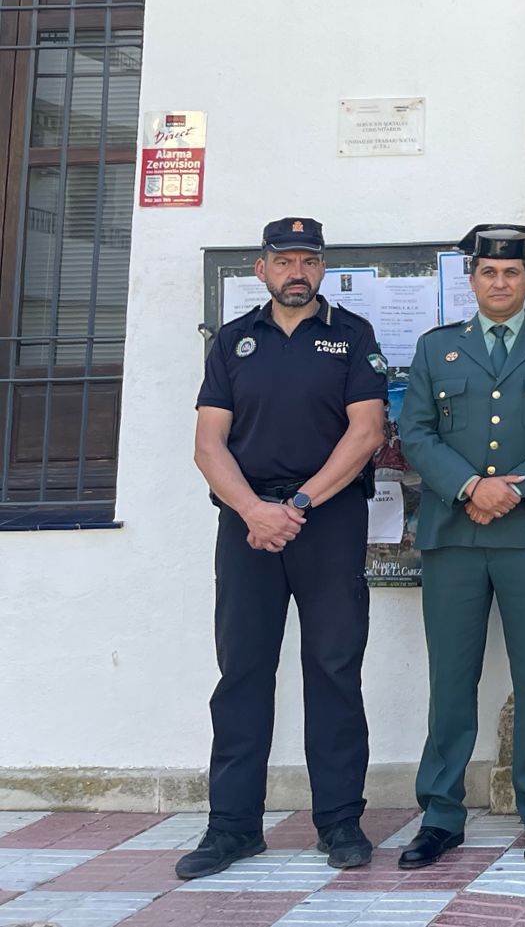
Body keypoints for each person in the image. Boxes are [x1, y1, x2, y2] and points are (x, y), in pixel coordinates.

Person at [183, 217, 388, 879]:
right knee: (242, 670)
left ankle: (340, 822)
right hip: (248, 526)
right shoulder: (233, 341)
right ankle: (233, 827)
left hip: (325, 520)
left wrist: (297, 506)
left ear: (322, 268)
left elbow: (366, 433)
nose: (296, 270)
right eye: (284, 259)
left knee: (333, 668)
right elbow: (208, 443)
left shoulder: (352, 335)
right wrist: (253, 509)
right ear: (261, 267)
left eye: (308, 259)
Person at [395, 225, 525, 869]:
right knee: (451, 679)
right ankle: (441, 813)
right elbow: (415, 431)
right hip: (454, 535)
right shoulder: (436, 348)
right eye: (488, 273)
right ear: (472, 279)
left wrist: (518, 489)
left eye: (512, 274)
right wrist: (470, 488)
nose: (500, 283)